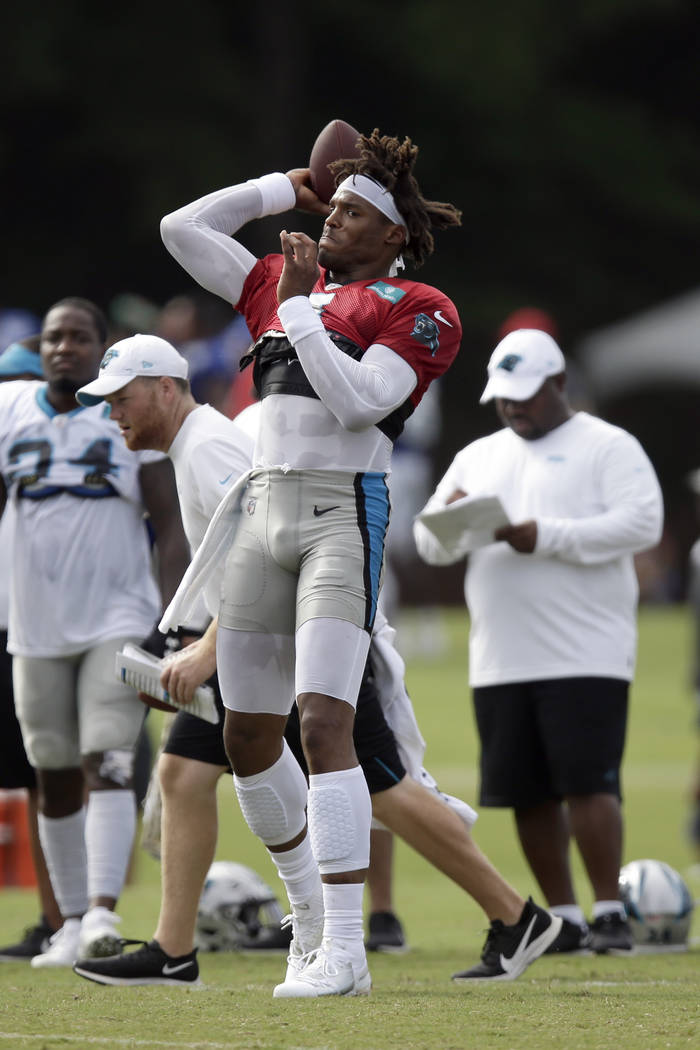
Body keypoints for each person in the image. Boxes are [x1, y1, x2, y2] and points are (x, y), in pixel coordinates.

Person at [70, 336, 561, 987]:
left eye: (122, 398)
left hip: (297, 639)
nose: (114, 414)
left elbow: (263, 551)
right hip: (261, 639)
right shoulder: (196, 444)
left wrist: (207, 650)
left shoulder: (210, 444)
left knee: (383, 790)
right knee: (183, 774)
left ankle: (513, 914)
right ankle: (175, 947)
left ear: (165, 387)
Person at [414, 327, 664, 955]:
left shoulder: (608, 445)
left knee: (588, 782)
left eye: (525, 395)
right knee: (525, 789)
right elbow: (425, 540)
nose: (513, 407)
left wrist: (544, 535)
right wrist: (458, 522)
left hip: (588, 647)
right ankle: (563, 916)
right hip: (500, 653)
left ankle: (608, 910)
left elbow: (642, 522)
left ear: (558, 384)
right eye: (503, 397)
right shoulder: (479, 455)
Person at [0, 299, 191, 968]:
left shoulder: (121, 416)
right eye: (55, 338)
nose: (64, 349)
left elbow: (169, 526)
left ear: (101, 349)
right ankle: (69, 920)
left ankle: (103, 914)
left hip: (115, 615)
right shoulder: (10, 407)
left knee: (107, 760)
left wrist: (172, 625)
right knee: (50, 771)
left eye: (80, 338)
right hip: (32, 622)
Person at [0, 338, 62, 961]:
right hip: (46, 621)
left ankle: (62, 917)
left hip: (23, 623)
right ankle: (66, 916)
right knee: (53, 772)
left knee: (43, 772)